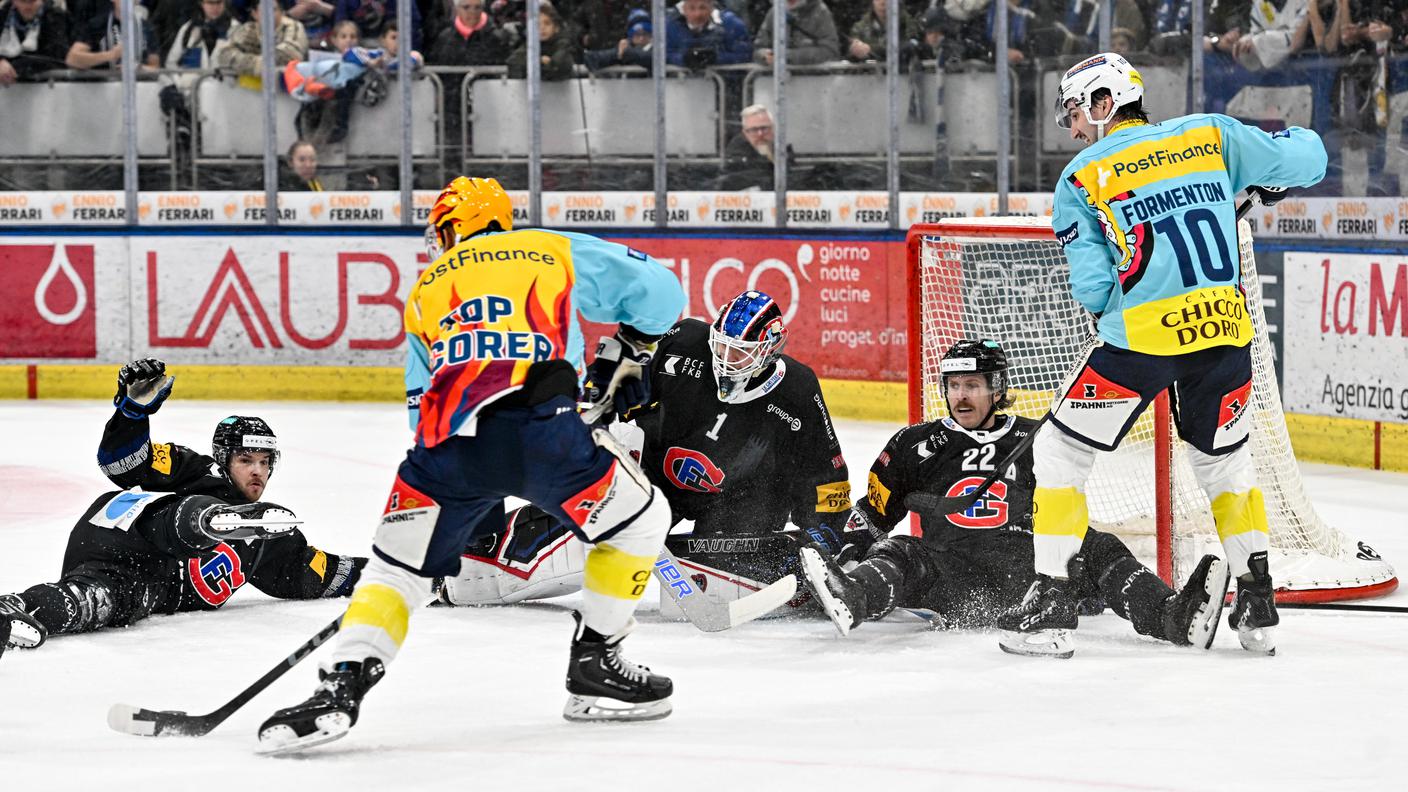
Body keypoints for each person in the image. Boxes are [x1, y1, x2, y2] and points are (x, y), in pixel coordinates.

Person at [256, 176, 687, 754]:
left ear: (448, 229)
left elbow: (420, 409)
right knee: (643, 519)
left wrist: (475, 499)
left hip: (445, 455)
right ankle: (596, 662)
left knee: (395, 574)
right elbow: (662, 292)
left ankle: (339, 688)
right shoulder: (544, 247)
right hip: (548, 439)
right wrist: (632, 347)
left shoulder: (426, 288)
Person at [1003, 52, 1327, 658]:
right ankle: (1257, 610)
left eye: (1075, 112)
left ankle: (1049, 604)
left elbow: (1094, 288)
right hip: (1226, 334)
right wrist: (1270, 171)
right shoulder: (1211, 135)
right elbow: (1311, 158)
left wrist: (1127, 314)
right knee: (1225, 466)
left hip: (1141, 342)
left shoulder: (1082, 175)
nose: (1073, 128)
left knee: (1058, 451)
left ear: (1104, 103)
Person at [798, 340, 1231, 658]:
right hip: (954, 580)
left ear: (997, 387)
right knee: (900, 550)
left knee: (1094, 545)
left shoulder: (1039, 438)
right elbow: (872, 517)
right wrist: (834, 552)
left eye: (972, 385)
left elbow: (1065, 508)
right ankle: (853, 597)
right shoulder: (914, 443)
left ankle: (1175, 617)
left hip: (1032, 583)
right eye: (953, 385)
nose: (961, 396)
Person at [436, 289, 859, 611]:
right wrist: (599, 414)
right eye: (721, 346)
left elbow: (825, 474)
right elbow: (622, 372)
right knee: (570, 539)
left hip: (743, 498)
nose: (726, 360)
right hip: (655, 476)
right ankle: (459, 566)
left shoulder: (797, 391)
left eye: (740, 352)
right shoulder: (685, 341)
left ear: (769, 348)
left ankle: (806, 583)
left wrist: (823, 532)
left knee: (702, 594)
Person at [0, 359, 366, 659]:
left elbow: (325, 573)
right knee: (196, 513)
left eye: (265, 461)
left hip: (142, 579)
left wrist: (410, 575)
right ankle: (207, 521)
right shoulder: (194, 469)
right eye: (246, 459)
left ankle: (14, 610)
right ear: (224, 459)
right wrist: (132, 414)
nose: (257, 470)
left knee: (95, 602)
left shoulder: (270, 536)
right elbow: (122, 466)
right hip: (124, 532)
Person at [215, 0, 309, 78]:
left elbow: (288, 55)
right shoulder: (248, 28)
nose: (269, 14)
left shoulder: (294, 27)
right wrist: (255, 65)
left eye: (273, 10)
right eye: (264, 10)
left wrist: (244, 64)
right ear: (254, 14)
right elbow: (225, 54)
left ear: (282, 12)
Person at [65, 0, 160, 70]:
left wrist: (139, 68)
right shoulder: (98, 25)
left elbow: (155, 67)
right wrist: (110, 55)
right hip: (103, 92)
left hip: (140, 90)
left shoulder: (146, 27)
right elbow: (72, 59)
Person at [0, 0, 72, 85]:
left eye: (32, 1)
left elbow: (56, 57)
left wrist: (13, 68)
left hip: (50, 87)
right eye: (22, 1)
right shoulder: (3, 15)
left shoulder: (55, 15)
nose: (27, 7)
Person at [665, 0, 752, 69]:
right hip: (680, 86)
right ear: (684, 8)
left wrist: (715, 58)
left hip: (724, 86)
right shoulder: (671, 25)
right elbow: (661, 55)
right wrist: (684, 59)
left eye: (702, 8)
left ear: (711, 7)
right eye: (692, 8)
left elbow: (745, 55)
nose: (697, 14)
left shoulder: (731, 24)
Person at [753, 0, 841, 65]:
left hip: (816, 82)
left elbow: (830, 52)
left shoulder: (820, 11)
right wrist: (765, 56)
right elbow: (758, 48)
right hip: (774, 84)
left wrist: (787, 57)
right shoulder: (774, 12)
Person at [719, 103, 783, 190]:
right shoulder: (737, 153)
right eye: (754, 130)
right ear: (745, 133)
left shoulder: (780, 149)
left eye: (764, 128)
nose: (760, 134)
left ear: (773, 129)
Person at [506, 1, 573, 80]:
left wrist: (536, 64)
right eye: (537, 24)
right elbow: (513, 62)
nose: (542, 28)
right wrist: (540, 60)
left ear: (556, 28)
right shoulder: (529, 45)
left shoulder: (563, 45)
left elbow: (557, 66)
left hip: (560, 90)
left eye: (547, 23)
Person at [428, 0, 508, 66]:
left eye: (477, 7)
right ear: (457, 9)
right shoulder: (444, 38)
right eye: (466, 7)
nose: (472, 12)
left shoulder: (496, 38)